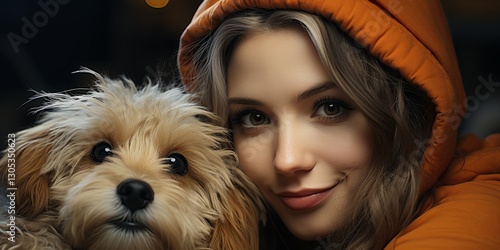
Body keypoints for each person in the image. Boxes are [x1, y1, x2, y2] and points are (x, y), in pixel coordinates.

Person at [177, 0, 500, 249]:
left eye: (330, 108)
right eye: (254, 118)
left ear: (406, 108)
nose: (287, 160)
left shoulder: (475, 223)